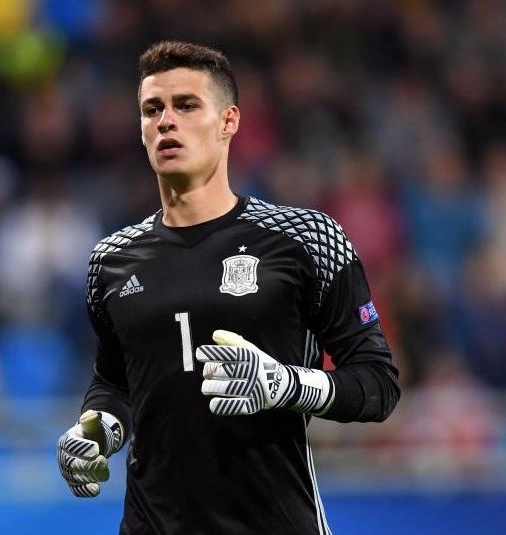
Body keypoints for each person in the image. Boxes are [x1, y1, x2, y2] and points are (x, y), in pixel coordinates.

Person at [57, 41, 400, 535]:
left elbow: (378, 385)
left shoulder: (307, 239)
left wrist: (286, 385)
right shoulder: (110, 261)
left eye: (186, 105)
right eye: (152, 110)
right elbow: (116, 384)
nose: (166, 122)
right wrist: (96, 431)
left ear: (228, 121)